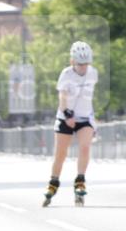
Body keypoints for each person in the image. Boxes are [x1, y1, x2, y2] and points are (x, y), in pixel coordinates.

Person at [42, 41, 98, 207]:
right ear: (72, 61)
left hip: (85, 117)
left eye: (86, 63)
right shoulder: (66, 74)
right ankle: (53, 183)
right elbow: (63, 96)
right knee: (61, 153)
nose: (83, 67)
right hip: (66, 116)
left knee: (85, 147)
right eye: (80, 64)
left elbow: (86, 96)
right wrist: (67, 114)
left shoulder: (93, 73)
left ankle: (80, 180)